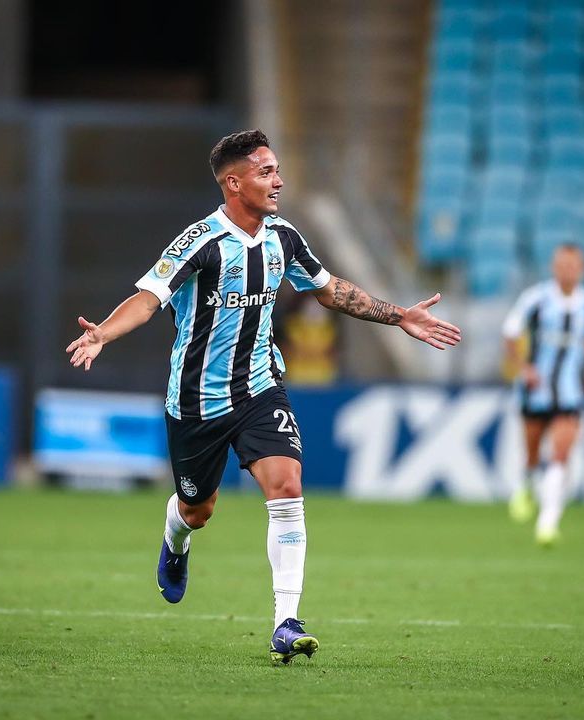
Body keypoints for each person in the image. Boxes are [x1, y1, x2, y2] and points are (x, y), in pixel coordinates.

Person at [66, 129, 461, 663]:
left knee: (287, 484)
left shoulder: (283, 237)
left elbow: (328, 289)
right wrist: (102, 334)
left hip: (260, 387)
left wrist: (398, 316)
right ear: (234, 183)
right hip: (196, 400)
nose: (278, 180)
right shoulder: (200, 242)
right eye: (265, 172)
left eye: (276, 170)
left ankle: (285, 621)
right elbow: (147, 298)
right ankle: (175, 537)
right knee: (198, 508)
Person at [501, 243, 584, 546]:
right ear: (553, 267)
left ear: (582, 269)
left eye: (573, 265)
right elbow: (510, 334)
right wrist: (524, 368)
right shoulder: (535, 299)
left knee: (560, 453)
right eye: (562, 264)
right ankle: (526, 483)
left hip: (571, 390)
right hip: (536, 389)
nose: (567, 270)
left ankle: (548, 521)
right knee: (533, 452)